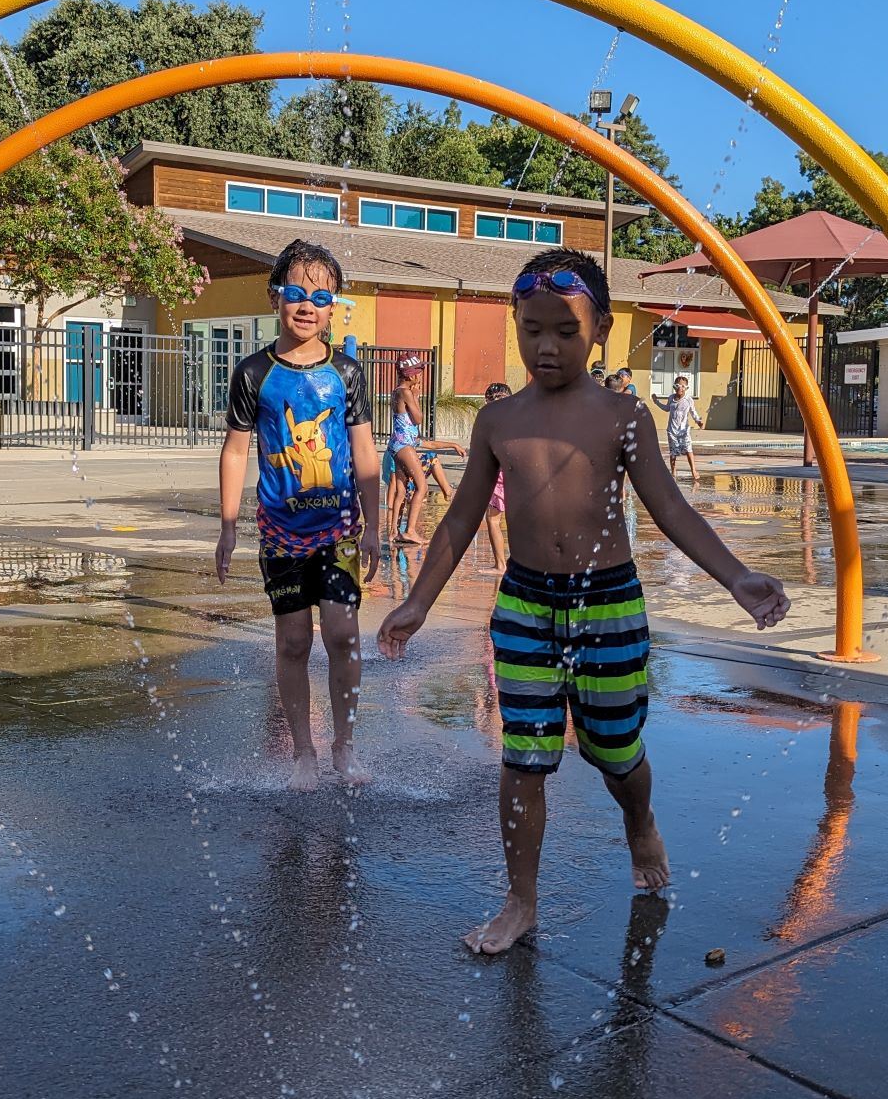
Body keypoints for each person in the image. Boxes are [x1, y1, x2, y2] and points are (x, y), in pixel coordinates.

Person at [378, 247, 788, 955]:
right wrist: (418, 600)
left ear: (598, 330)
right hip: (526, 604)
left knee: (613, 750)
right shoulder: (498, 423)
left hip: (608, 605)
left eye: (566, 332)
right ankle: (521, 900)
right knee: (524, 756)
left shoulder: (623, 415)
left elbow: (671, 509)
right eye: (531, 329)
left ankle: (640, 824)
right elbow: (460, 516)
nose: (546, 346)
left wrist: (737, 576)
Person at [216, 239, 381, 790]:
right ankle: (303, 753)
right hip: (280, 534)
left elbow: (363, 452)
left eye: (320, 295)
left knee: (342, 634)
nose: (307, 305)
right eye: (295, 293)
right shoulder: (253, 373)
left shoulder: (349, 373)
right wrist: (226, 527)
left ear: (334, 306)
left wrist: (376, 526)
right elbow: (237, 450)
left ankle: (345, 747)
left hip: (339, 530)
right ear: (275, 298)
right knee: (293, 642)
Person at [387, 356, 460, 545]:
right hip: (405, 446)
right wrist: (417, 397)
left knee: (401, 491)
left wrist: (452, 445)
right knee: (422, 486)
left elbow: (425, 442)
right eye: (418, 373)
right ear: (411, 376)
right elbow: (418, 419)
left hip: (397, 444)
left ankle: (394, 532)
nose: (420, 377)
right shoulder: (407, 393)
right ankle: (410, 531)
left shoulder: (396, 391)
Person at [481, 382, 511, 570]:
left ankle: (500, 564)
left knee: (493, 519)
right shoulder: (520, 420)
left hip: (499, 477)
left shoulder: (489, 423)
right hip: (520, 477)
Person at [652, 373, 703, 483]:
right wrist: (656, 402)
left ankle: (693, 470)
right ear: (674, 387)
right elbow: (666, 408)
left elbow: (693, 412)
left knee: (689, 450)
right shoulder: (671, 398)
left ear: (686, 388)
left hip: (684, 431)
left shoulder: (688, 400)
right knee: (673, 452)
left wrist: (698, 421)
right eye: (678, 385)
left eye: (683, 386)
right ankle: (673, 471)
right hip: (672, 430)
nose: (680, 388)